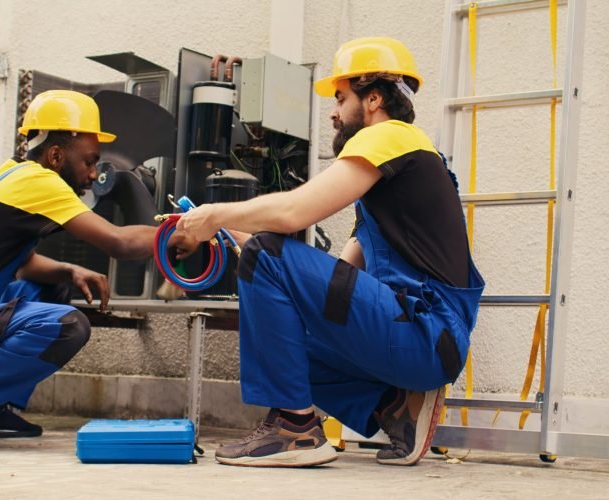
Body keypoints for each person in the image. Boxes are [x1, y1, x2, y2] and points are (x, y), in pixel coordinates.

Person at [177, 37, 485, 467]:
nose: (334, 112)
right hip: (420, 336)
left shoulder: (391, 136)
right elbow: (332, 286)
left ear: (374, 98)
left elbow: (293, 212)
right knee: (285, 330)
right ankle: (394, 408)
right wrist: (238, 240)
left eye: (341, 98)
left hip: (426, 332)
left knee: (268, 253)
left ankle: (294, 429)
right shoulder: (394, 180)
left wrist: (214, 214)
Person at [0, 90, 195, 450]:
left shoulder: (11, 176)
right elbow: (119, 243)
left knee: (53, 288)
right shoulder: (41, 182)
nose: (94, 174)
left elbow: (17, 264)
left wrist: (69, 271)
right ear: (55, 155)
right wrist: (180, 232)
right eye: (89, 161)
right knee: (68, 326)